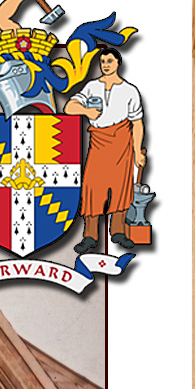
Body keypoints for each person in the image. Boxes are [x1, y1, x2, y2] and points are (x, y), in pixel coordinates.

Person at [66, 48, 145, 254]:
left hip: (122, 144)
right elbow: (69, 107)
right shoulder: (92, 87)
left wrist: (138, 151)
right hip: (99, 143)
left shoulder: (130, 91)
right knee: (93, 188)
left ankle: (118, 232)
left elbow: (137, 123)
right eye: (102, 61)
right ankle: (90, 236)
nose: (105, 64)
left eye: (109, 60)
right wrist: (85, 111)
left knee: (121, 188)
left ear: (118, 63)